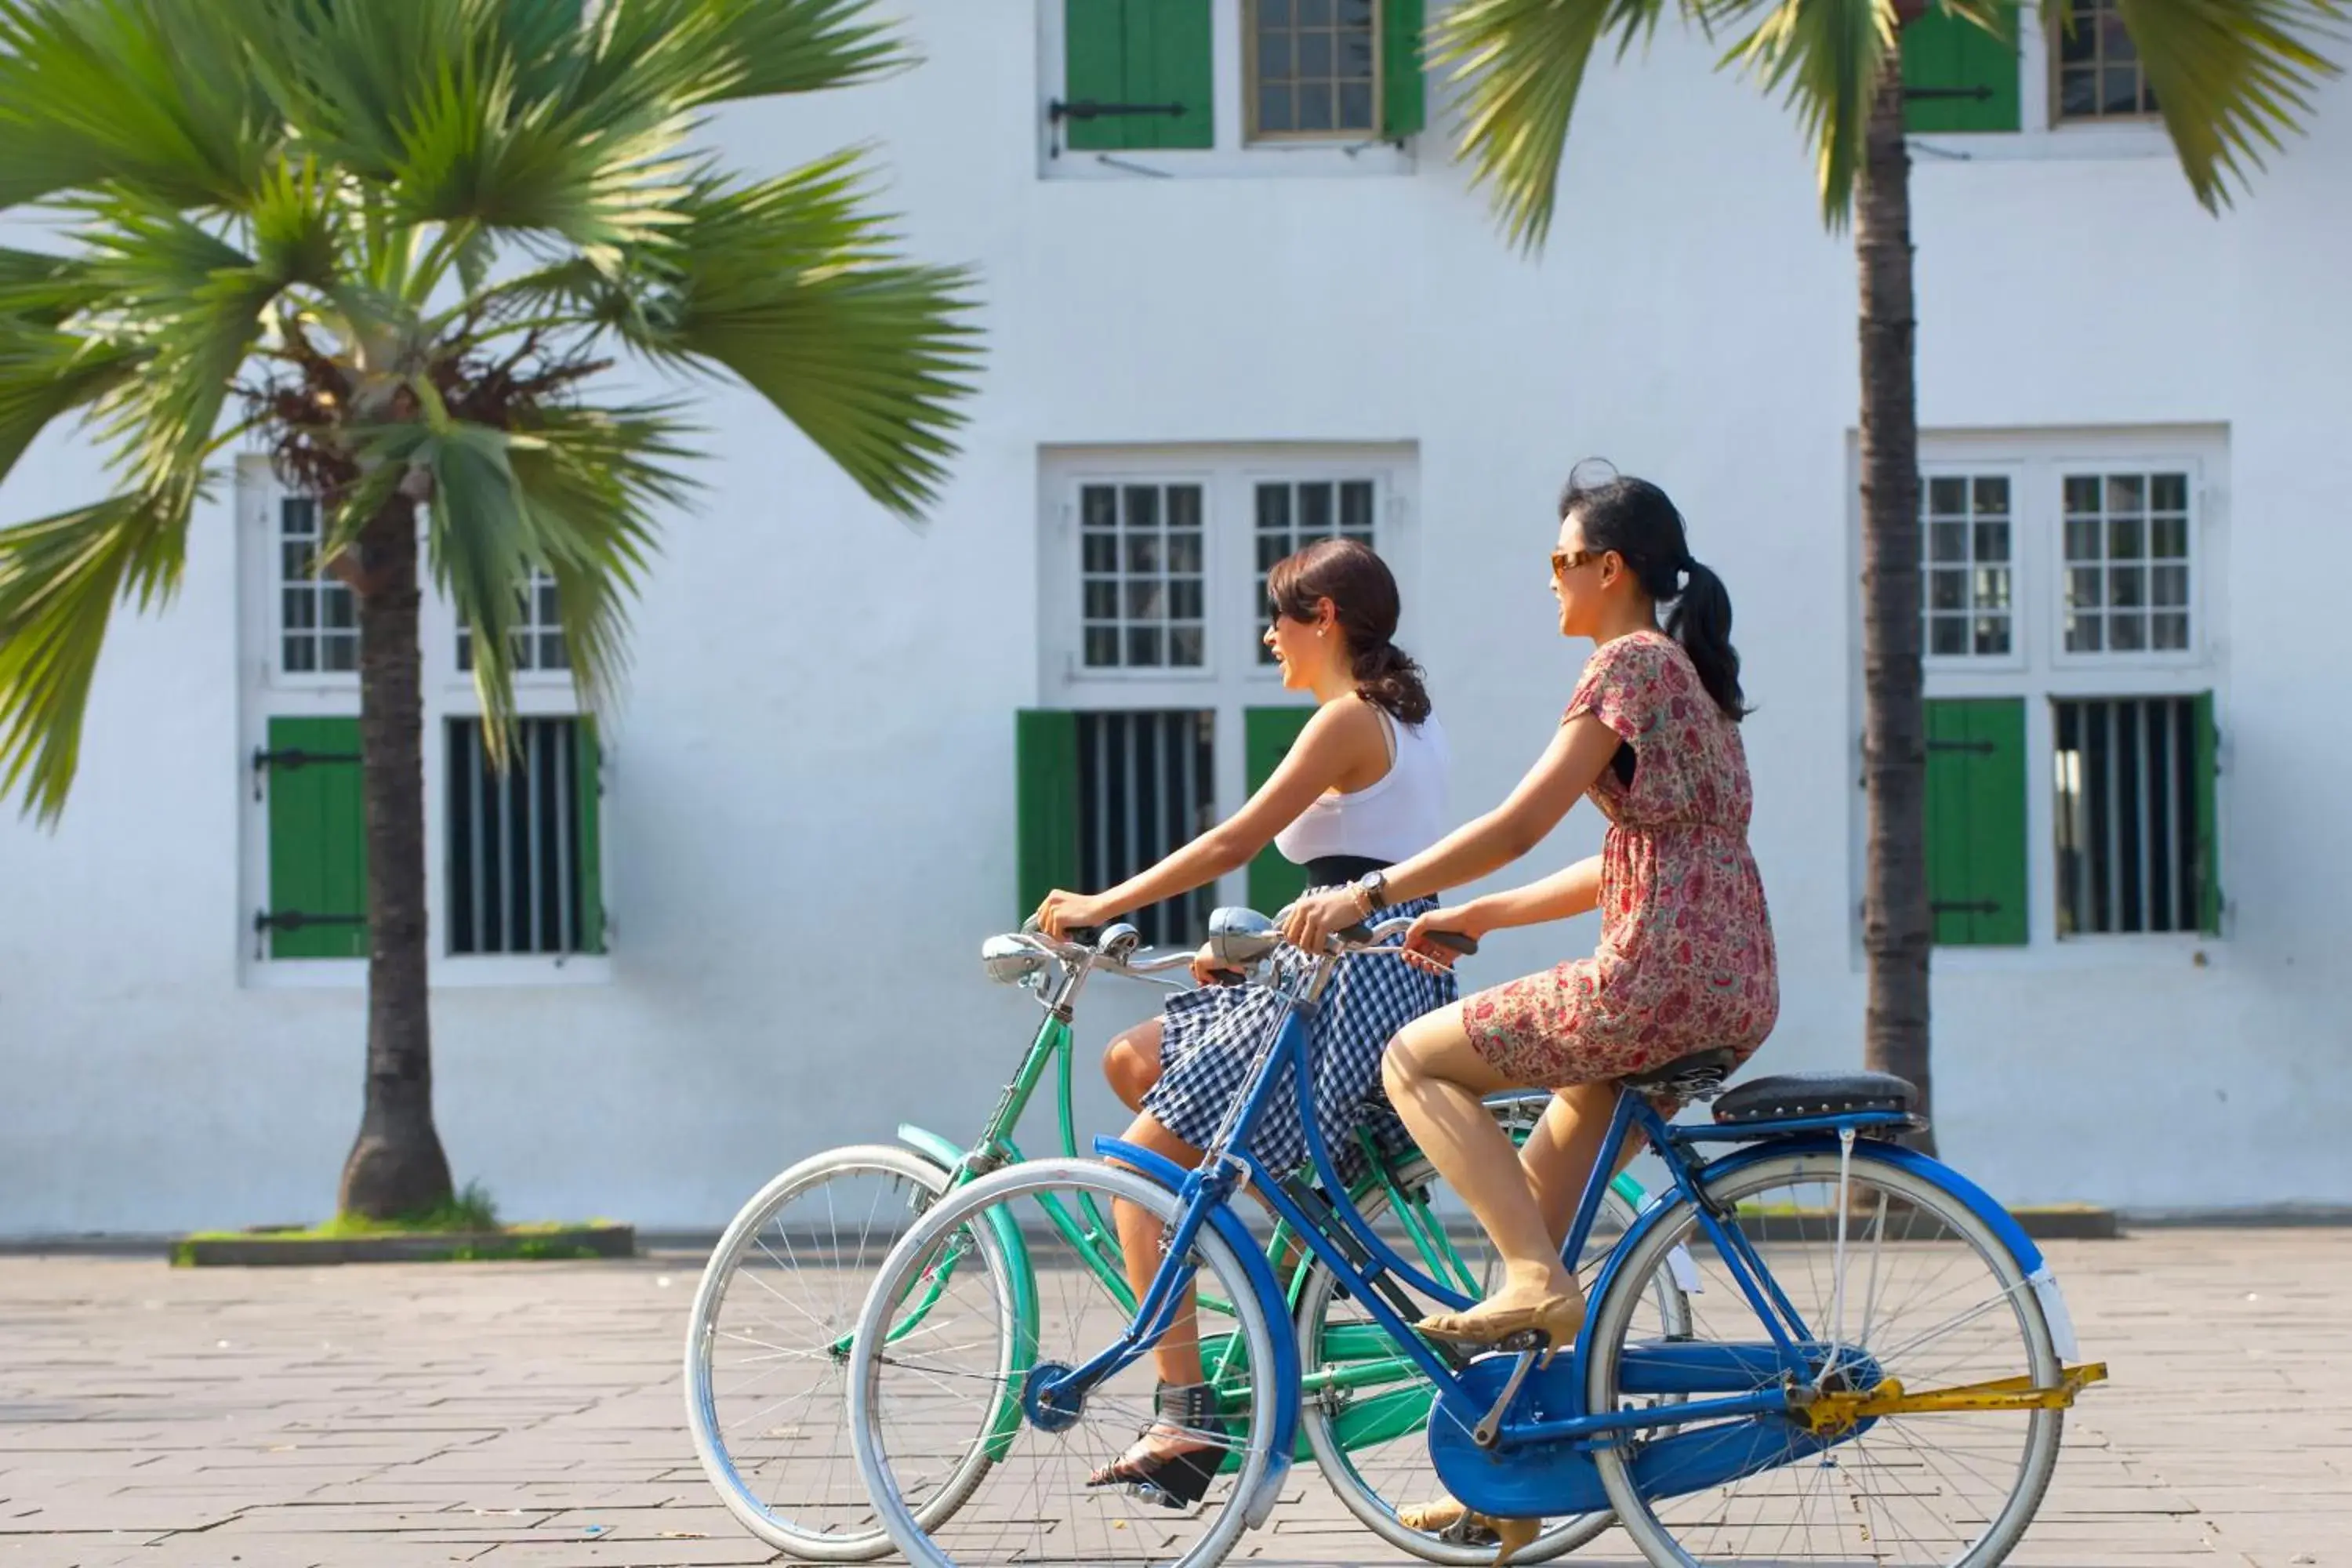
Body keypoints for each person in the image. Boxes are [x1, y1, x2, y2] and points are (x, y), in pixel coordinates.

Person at [1282, 469, 1778, 1558]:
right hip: (1728, 976)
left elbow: (1516, 821)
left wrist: (1371, 891)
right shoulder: (1690, 678)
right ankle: (1505, 1482)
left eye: (1562, 561)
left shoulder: (1626, 665)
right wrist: (1488, 915)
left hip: (1650, 976)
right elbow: (1633, 854)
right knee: (1540, 1205)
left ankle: (1537, 1281)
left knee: (1418, 1060)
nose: (1548, 580)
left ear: (1612, 569)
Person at [1032, 537, 1455, 1506]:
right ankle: (1272, 1255)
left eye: (1280, 618)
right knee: (1135, 1057)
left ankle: (1185, 1416)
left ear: (1328, 621)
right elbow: (1358, 862)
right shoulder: (1410, 722)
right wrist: (1259, 941)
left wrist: (1100, 901)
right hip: (1363, 966)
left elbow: (1235, 837)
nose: (1270, 638)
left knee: (1136, 1181)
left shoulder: (1350, 717)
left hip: (1344, 983)